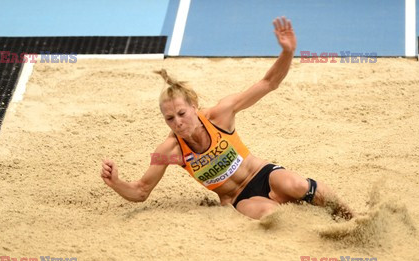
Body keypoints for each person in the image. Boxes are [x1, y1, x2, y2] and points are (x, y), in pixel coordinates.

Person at [101, 16, 355, 225]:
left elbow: (268, 83)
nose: (177, 122)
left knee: (299, 186)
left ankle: (352, 218)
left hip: (262, 174)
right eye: (169, 118)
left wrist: (287, 52)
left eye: (181, 113)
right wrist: (116, 183)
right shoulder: (168, 151)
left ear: (194, 107)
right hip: (238, 198)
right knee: (274, 217)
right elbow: (141, 191)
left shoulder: (221, 115)